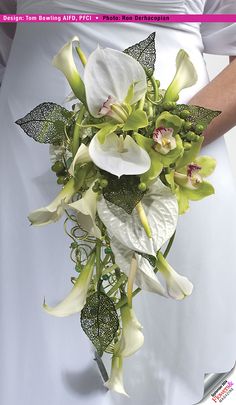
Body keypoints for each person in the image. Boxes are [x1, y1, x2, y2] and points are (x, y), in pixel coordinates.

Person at [0, 1, 236, 404]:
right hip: (34, 159)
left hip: (171, 164)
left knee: (169, 349)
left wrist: (167, 141)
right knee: (37, 347)